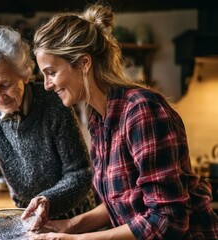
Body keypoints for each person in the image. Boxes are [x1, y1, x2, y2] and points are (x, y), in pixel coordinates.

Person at [29, 3, 218, 240]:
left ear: (84, 63)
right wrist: (69, 225)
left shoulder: (142, 110)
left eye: (51, 72)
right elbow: (121, 203)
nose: (47, 85)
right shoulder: (101, 119)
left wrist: (80, 239)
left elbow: (168, 220)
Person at [0, 25, 98, 230]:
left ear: (24, 74)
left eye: (5, 85)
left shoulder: (53, 103)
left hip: (72, 217)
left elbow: (80, 173)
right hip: (24, 218)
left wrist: (47, 200)